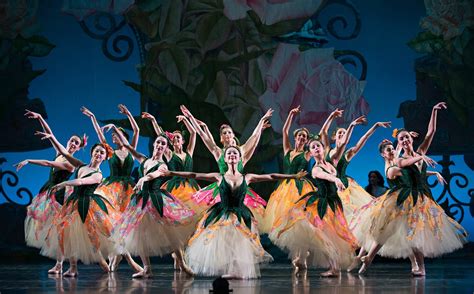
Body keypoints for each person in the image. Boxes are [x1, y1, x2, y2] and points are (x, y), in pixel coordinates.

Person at [355, 102, 468, 276]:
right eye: (401, 139)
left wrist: (434, 111)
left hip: (423, 197)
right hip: (408, 198)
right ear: (399, 143)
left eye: (407, 137)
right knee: (410, 231)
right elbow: (408, 163)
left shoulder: (421, 150)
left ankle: (413, 265)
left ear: (412, 139)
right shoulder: (400, 160)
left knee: (415, 231)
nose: (405, 140)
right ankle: (419, 267)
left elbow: (431, 133)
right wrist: (422, 157)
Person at [164, 146, 307, 279]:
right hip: (222, 212)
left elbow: (271, 176)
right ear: (225, 159)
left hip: (240, 213)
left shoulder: (248, 177)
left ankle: (236, 270)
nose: (232, 155)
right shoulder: (219, 177)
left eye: (235, 153)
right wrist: (171, 173)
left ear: (239, 158)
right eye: (229, 153)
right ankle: (229, 269)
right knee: (224, 240)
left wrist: (293, 176)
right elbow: (194, 174)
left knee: (239, 242)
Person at [113, 130, 195, 278]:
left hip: (156, 199)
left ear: (165, 148)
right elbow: (127, 145)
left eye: (163, 143)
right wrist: (115, 128)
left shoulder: (163, 165)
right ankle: (147, 268)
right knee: (140, 234)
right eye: (158, 142)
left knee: (170, 232)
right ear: (154, 144)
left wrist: (144, 179)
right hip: (140, 200)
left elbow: (154, 174)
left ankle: (182, 263)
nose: (160, 145)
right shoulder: (144, 159)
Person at [275, 136, 358, 277]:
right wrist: (336, 179)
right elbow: (327, 177)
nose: (316, 148)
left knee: (334, 235)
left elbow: (342, 145)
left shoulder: (331, 164)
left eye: (318, 146)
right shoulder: (316, 169)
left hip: (333, 202)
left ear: (323, 149)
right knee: (321, 235)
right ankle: (331, 267)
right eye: (313, 147)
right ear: (311, 154)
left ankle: (331, 267)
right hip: (320, 204)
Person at [37, 130, 116, 277]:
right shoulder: (81, 165)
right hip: (73, 203)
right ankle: (72, 267)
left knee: (91, 237)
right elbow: (64, 153)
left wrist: (64, 183)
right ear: (92, 152)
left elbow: (80, 181)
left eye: (102, 153)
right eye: (97, 151)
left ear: (104, 158)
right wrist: (51, 137)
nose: (98, 154)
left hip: (87, 206)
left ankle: (102, 262)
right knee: (65, 233)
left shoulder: (98, 175)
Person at [18, 109, 85, 275]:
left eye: (76, 143)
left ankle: (72, 267)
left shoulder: (70, 163)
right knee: (55, 232)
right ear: (68, 141)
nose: (73, 144)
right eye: (72, 141)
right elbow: (51, 134)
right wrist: (40, 117)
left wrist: (29, 160)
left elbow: (49, 164)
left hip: (60, 196)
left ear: (78, 148)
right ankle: (60, 265)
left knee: (62, 232)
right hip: (49, 192)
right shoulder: (60, 152)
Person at [80, 105, 143, 273]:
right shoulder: (110, 152)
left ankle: (117, 258)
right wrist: (93, 117)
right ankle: (116, 258)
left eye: (116, 135)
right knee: (113, 225)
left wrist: (129, 113)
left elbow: (136, 130)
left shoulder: (130, 150)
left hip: (128, 190)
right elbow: (100, 136)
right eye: (113, 136)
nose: (114, 138)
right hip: (112, 190)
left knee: (125, 226)